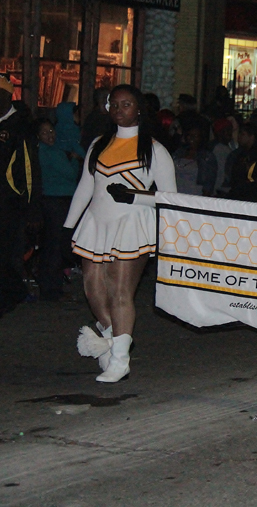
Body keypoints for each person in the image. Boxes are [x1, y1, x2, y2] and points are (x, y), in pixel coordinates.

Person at [65, 84, 176, 383]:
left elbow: (171, 198)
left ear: (138, 108)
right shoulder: (98, 144)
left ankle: (120, 358)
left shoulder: (154, 149)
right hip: (96, 224)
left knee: (120, 292)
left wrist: (135, 197)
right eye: (114, 104)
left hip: (132, 225)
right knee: (93, 289)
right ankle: (112, 339)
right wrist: (68, 226)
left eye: (126, 104)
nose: (118, 110)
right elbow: (85, 189)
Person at [0, 72, 42, 319]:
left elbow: (30, 170)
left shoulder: (18, 127)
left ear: (5, 95)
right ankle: (8, 293)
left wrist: (33, 209)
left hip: (5, 204)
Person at [36, 118, 84, 301]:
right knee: (55, 246)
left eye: (51, 131)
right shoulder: (50, 153)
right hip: (57, 201)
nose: (50, 135)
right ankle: (52, 290)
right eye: (45, 132)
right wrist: (73, 160)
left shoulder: (47, 151)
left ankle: (50, 287)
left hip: (53, 200)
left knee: (52, 245)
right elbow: (70, 175)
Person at [173, 121, 217, 196]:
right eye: (189, 135)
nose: (191, 138)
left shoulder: (207, 157)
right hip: (176, 194)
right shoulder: (178, 153)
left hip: (195, 195)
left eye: (195, 135)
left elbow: (209, 182)